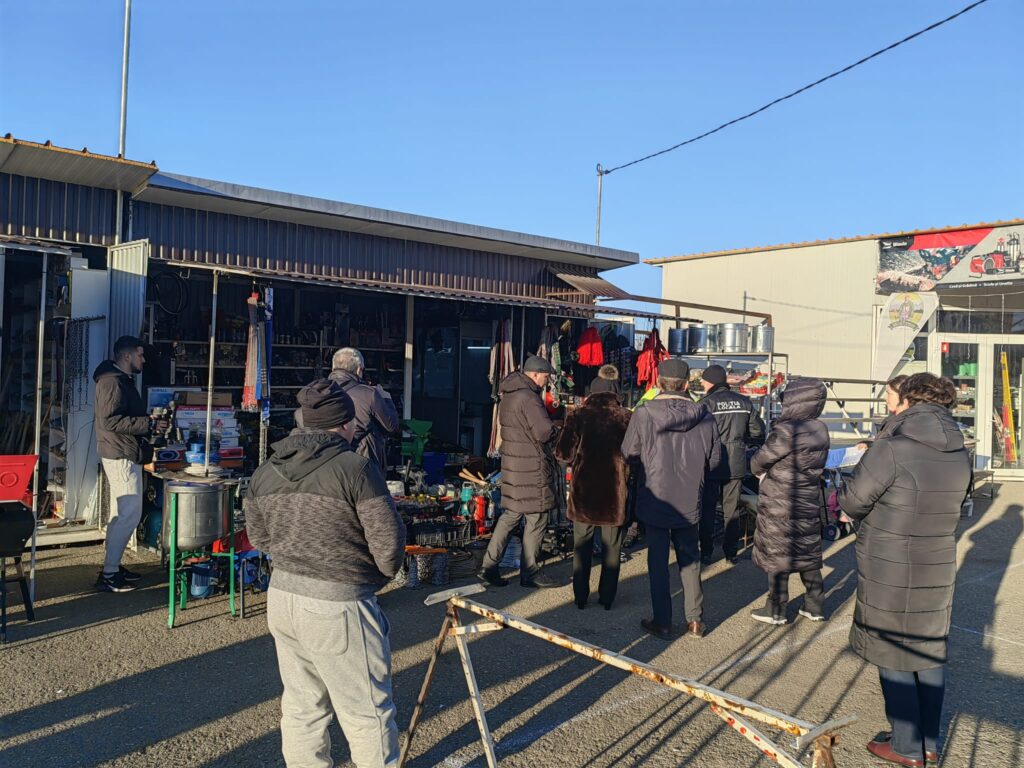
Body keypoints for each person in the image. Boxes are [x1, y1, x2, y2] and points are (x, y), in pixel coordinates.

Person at [246, 379, 406, 768]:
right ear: (345, 424)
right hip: (338, 604)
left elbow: (259, 538)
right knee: (367, 711)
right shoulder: (356, 469)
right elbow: (388, 542)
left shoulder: (266, 471)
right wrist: (376, 577)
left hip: (283, 597)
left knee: (302, 705)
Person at [838, 374, 970, 768]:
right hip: (938, 558)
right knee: (927, 649)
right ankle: (927, 742)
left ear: (909, 402)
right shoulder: (959, 450)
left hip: (890, 561)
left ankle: (906, 746)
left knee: (892, 649)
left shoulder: (893, 448)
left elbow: (854, 501)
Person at [622, 358, 720, 640]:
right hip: (689, 496)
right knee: (690, 558)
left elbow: (628, 452)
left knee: (658, 561)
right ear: (687, 384)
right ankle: (695, 620)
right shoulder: (705, 416)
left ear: (658, 383)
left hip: (656, 496)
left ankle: (663, 622)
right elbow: (714, 461)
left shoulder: (644, 413)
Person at [749, 377, 830, 625]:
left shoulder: (787, 430)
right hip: (807, 497)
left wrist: (756, 467)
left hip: (780, 498)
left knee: (778, 553)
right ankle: (815, 605)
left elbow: (759, 461)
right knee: (807, 551)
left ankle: (776, 609)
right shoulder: (820, 429)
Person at [479, 355, 560, 589]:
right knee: (537, 517)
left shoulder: (509, 395)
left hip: (513, 466)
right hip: (531, 467)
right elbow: (543, 432)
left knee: (510, 516)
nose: (547, 381)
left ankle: (488, 566)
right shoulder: (530, 398)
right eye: (545, 376)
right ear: (535, 374)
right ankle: (530, 572)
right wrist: (558, 428)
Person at [93, 335, 166, 593]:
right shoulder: (112, 382)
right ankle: (110, 574)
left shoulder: (118, 379)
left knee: (121, 514)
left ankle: (112, 566)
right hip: (121, 454)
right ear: (127, 356)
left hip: (121, 451)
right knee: (129, 515)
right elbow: (109, 421)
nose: (143, 360)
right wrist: (148, 424)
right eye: (140, 355)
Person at [555, 365, 632, 610]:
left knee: (582, 545)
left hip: (584, 491)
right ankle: (607, 598)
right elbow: (636, 455)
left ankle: (580, 596)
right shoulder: (627, 417)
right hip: (614, 491)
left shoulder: (578, 415)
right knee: (612, 546)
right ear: (615, 391)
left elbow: (563, 454)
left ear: (592, 392)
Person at [699, 364, 765, 565]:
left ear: (711, 382)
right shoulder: (744, 402)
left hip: (711, 463)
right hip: (736, 461)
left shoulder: (706, 403)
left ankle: (706, 553)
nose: (701, 384)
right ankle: (731, 553)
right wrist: (743, 442)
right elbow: (758, 432)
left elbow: (697, 434)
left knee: (708, 509)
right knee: (732, 509)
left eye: (703, 381)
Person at [329, 347, 401, 472]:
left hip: (328, 463)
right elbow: (392, 426)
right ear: (358, 370)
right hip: (364, 463)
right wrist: (386, 398)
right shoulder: (369, 394)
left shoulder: (317, 392)